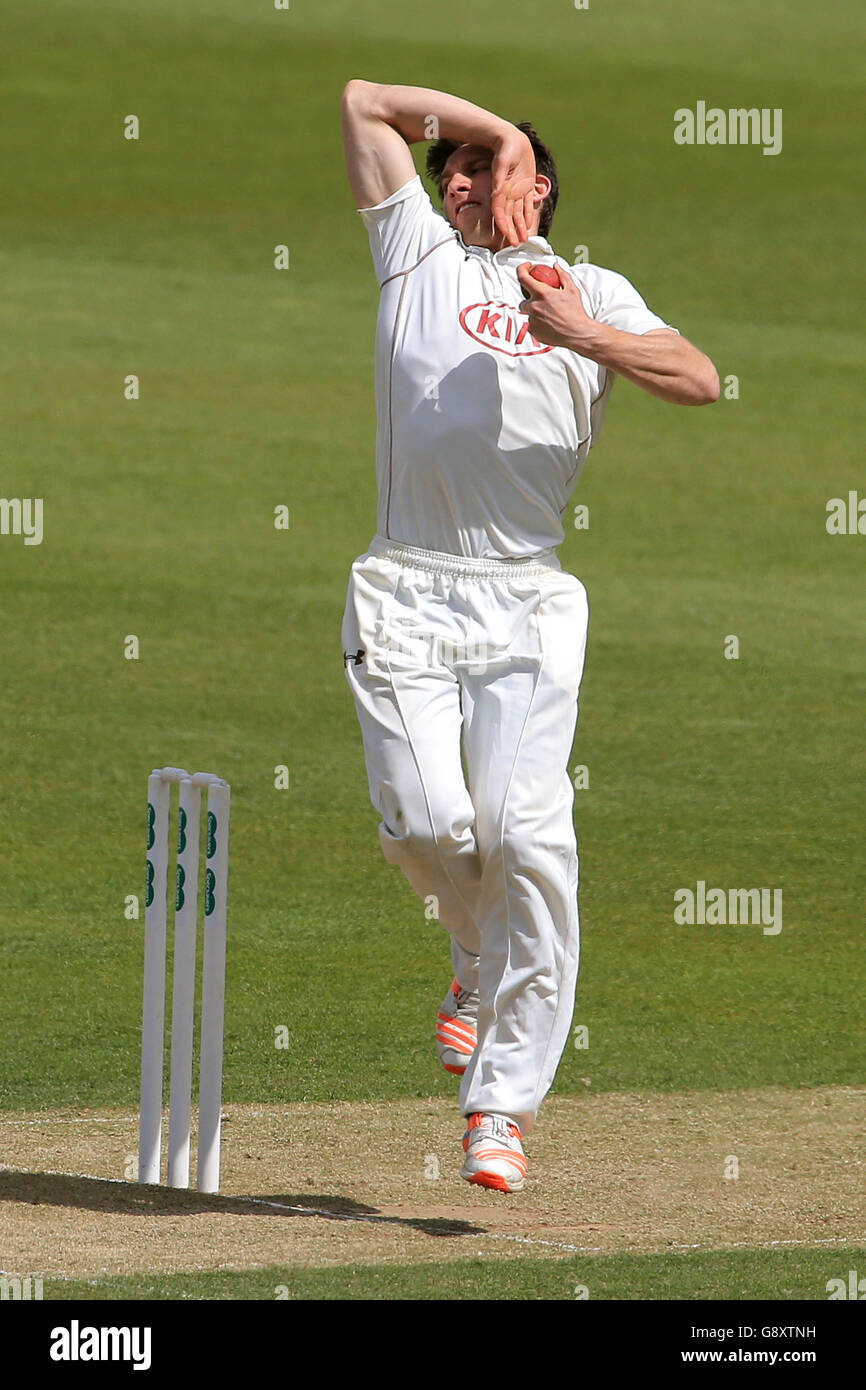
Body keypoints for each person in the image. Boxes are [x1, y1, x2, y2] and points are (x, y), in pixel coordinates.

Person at [339, 80, 718, 1192]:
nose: (456, 178)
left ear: (537, 190)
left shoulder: (590, 283)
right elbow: (365, 102)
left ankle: (500, 1107)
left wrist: (583, 332)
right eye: (447, 163)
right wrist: (493, 124)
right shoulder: (415, 255)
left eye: (485, 165)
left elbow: (696, 379)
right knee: (423, 824)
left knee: (523, 838)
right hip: (405, 583)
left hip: (526, 599)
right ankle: (474, 954)